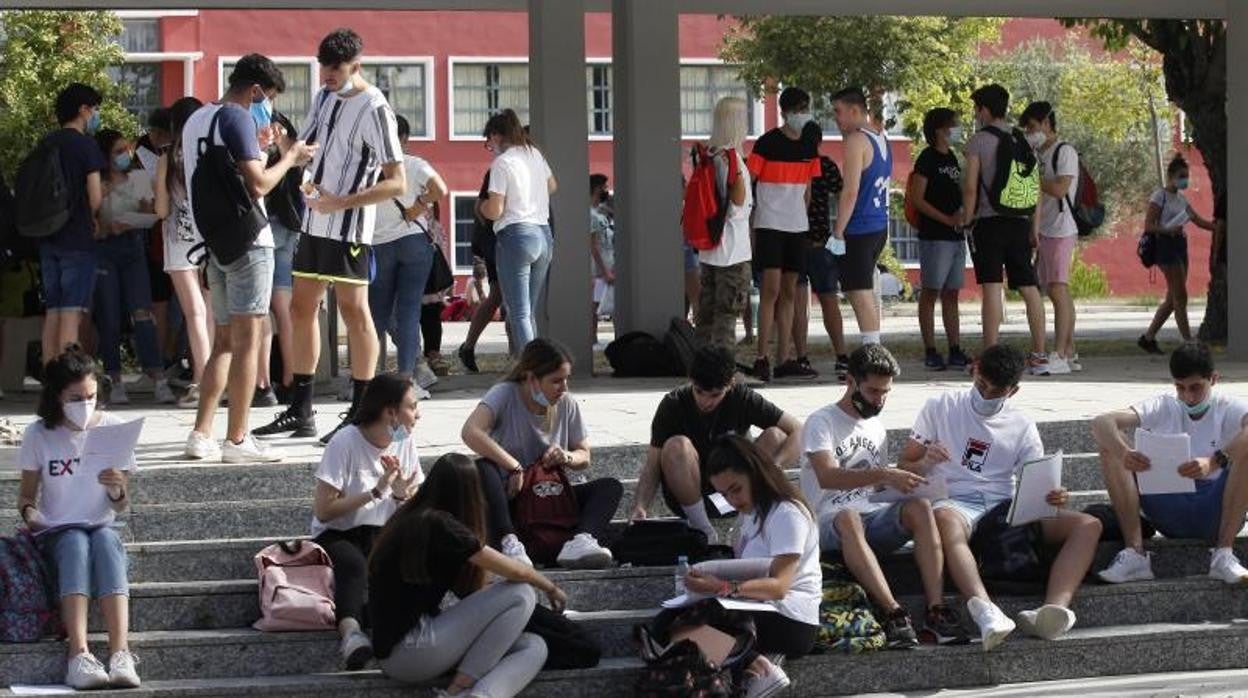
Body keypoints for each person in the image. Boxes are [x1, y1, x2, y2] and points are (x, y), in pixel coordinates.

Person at [255, 28, 406, 445]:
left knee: (354, 311)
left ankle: (362, 409)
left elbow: (397, 182)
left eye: (335, 70)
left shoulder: (376, 107)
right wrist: (281, 148)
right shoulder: (322, 97)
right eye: (323, 68)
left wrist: (343, 202)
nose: (326, 76)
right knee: (302, 308)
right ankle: (301, 409)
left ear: (356, 66)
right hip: (313, 221)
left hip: (349, 226)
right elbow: (307, 146)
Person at [897, 344, 1102, 648]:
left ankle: (1054, 608)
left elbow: (1038, 482)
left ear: (1013, 391)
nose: (986, 394)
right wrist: (927, 459)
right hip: (955, 501)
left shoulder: (1022, 425)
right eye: (982, 385)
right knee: (944, 519)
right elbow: (904, 464)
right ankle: (984, 609)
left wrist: (1054, 496)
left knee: (1089, 524)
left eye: (997, 391)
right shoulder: (941, 405)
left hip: (1004, 506)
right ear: (974, 370)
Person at [180, 54, 317, 463]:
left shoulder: (198, 119)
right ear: (256, 90)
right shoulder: (238, 117)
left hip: (214, 243)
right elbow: (258, 185)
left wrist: (260, 148)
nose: (267, 108)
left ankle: (201, 432)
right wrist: (290, 158)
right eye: (268, 98)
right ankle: (237, 439)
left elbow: (214, 171)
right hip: (249, 241)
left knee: (223, 341)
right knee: (248, 340)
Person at [800, 344, 970, 648]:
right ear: (850, 381)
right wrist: (885, 474)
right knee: (848, 517)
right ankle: (893, 613)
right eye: (873, 391)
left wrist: (916, 475)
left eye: (885, 392)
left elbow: (875, 490)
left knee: (919, 506)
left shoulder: (876, 427)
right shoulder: (821, 422)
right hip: (826, 521)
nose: (879, 399)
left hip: (870, 516)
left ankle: (936, 610)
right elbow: (827, 475)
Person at [368, 452, 562, 697]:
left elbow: (477, 589)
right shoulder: (439, 525)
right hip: (411, 649)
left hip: (407, 653)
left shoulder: (411, 517)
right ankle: (459, 687)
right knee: (521, 592)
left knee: (533, 647)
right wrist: (550, 587)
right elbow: (516, 570)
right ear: (470, 492)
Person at [16, 347, 139, 689]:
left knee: (104, 539)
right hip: (55, 532)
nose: (85, 404)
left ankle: (120, 652)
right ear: (57, 397)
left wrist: (117, 490)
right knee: (74, 541)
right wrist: (32, 515)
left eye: (91, 396)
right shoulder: (39, 433)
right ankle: (78, 653)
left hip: (101, 525)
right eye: (76, 398)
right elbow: (25, 497)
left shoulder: (114, 429)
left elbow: (121, 505)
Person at [669, 435, 823, 696]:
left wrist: (722, 586)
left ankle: (752, 664)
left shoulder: (786, 514)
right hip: (762, 608)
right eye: (724, 494)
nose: (732, 500)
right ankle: (751, 662)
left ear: (756, 474)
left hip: (791, 619)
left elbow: (780, 587)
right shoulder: (751, 516)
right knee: (673, 623)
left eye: (736, 489)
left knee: (674, 624)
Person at [1093, 342, 1248, 585]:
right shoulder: (1164, 405)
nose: (1188, 396)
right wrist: (1125, 453)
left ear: (1214, 379)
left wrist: (1214, 461)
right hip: (1167, 508)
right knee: (1109, 447)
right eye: (1180, 387)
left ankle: (1224, 553)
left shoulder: (1228, 407)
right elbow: (1102, 423)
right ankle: (1135, 554)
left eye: (1196, 387)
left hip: (1216, 511)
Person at [461, 338, 621, 568]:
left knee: (610, 487)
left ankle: (581, 540)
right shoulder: (505, 394)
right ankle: (509, 543)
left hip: (550, 496)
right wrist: (512, 465)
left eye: (566, 379)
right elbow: (470, 432)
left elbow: (584, 455)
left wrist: (566, 456)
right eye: (556, 381)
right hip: (512, 495)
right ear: (531, 379)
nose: (563, 388)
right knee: (482, 468)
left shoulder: (567, 403)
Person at [632, 344, 802, 542]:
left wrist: (774, 466)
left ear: (730, 384)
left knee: (776, 436)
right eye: (699, 392)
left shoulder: (743, 397)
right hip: (689, 494)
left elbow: (800, 430)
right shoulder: (673, 404)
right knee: (676, 445)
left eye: (715, 395)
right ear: (691, 381)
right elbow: (652, 464)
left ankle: (747, 521)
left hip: (735, 489)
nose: (705, 401)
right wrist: (640, 506)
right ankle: (703, 530)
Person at [311, 374, 423, 669]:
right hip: (338, 532)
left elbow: (411, 500)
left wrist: (400, 496)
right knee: (353, 565)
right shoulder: (345, 441)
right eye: (412, 407)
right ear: (390, 412)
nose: (418, 414)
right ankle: (351, 636)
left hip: (381, 531)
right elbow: (324, 510)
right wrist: (375, 491)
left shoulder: (403, 440)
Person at [961, 84, 1050, 374]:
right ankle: (1039, 353)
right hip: (1020, 223)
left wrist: (967, 216)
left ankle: (989, 355)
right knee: (1029, 288)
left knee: (991, 287)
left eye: (977, 109)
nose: (977, 114)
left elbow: (971, 186)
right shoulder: (1022, 140)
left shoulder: (978, 142)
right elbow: (1035, 188)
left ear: (984, 110)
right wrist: (1034, 227)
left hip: (989, 222)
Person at [91, 129, 174, 405]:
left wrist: (132, 220)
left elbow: (152, 213)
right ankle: (114, 378)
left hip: (133, 249)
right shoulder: (98, 183)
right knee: (109, 317)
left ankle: (157, 377)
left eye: (126, 149)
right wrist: (105, 224)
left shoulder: (138, 177)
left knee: (143, 313)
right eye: (117, 151)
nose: (124, 155)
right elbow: (90, 221)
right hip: (104, 252)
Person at [747, 86, 821, 381]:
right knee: (771, 290)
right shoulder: (766, 143)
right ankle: (762, 356)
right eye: (799, 109)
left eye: (806, 108)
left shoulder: (809, 145)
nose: (803, 115)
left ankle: (785, 357)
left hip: (796, 226)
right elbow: (749, 180)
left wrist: (802, 217)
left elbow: (809, 189)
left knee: (791, 291)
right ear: (785, 112)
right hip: (769, 224)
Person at [369, 114, 445, 384]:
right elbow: (440, 189)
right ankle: (406, 377)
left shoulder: (368, 169)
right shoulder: (414, 163)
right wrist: (419, 204)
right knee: (409, 311)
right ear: (404, 139)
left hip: (379, 246)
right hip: (414, 242)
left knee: (376, 314)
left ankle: (365, 379)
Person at [479, 110, 557, 355]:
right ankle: (533, 365)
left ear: (495, 136)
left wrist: (481, 206)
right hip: (543, 235)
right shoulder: (534, 154)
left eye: (488, 144)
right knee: (527, 312)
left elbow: (494, 210)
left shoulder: (502, 163)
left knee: (519, 312)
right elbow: (552, 186)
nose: (490, 148)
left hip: (516, 236)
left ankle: (531, 372)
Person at [40, 83, 106, 365]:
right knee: (71, 311)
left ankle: (50, 383)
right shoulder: (85, 145)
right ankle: (67, 382)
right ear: (83, 110)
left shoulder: (46, 143)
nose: (95, 115)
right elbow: (95, 197)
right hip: (77, 236)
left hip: (46, 235)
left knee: (53, 312)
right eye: (94, 109)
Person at [154, 96, 212, 410]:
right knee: (212, 313)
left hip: (179, 243)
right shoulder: (206, 151)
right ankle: (217, 380)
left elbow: (162, 210)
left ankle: (201, 382)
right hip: (211, 240)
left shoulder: (167, 156)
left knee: (194, 315)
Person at [1020, 101, 1080, 375]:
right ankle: (1069, 351)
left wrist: (1033, 177)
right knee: (1056, 289)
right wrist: (1034, 229)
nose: (1030, 132)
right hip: (1044, 229)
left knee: (1058, 289)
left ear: (1046, 123)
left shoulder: (1064, 151)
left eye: (1032, 127)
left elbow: (1059, 189)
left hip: (1062, 228)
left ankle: (1060, 353)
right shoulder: (1038, 153)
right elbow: (1037, 199)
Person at [830, 87, 893, 348]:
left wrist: (838, 230)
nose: (836, 118)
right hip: (878, 225)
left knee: (859, 292)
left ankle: (873, 349)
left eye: (838, 111)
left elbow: (851, 190)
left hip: (860, 227)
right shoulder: (881, 137)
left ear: (855, 110)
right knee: (862, 290)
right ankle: (872, 344)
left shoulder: (856, 140)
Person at [909, 107, 970, 371]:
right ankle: (931, 349)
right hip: (935, 236)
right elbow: (917, 199)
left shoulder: (952, 157)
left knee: (952, 293)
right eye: (952, 125)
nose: (956, 129)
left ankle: (955, 348)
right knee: (931, 291)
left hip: (956, 235)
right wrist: (945, 219)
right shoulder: (927, 158)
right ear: (939, 129)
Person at [1137, 155, 1216, 355]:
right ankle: (1188, 341)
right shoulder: (1159, 196)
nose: (1185, 180)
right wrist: (1167, 230)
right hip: (1166, 246)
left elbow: (1198, 220)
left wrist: (1218, 227)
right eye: (1181, 176)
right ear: (1171, 176)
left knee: (1173, 299)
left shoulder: (1182, 199)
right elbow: (1149, 225)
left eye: (1187, 176)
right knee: (1181, 295)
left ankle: (1148, 338)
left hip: (1180, 245)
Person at [693, 97, 753, 349]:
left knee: (706, 316)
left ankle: (702, 369)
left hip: (710, 247)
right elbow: (739, 203)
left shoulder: (707, 155)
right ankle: (723, 373)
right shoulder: (732, 159)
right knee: (727, 317)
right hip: (734, 248)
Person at [257, 110, 306, 406]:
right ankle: (290, 378)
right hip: (290, 229)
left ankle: (262, 383)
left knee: (260, 310)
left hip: (265, 229)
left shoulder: (261, 149)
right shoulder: (294, 154)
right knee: (285, 312)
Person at [802, 152, 850, 379]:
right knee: (829, 300)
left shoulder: (792, 161)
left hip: (796, 240)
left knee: (797, 302)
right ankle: (841, 355)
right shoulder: (825, 164)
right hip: (820, 241)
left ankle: (800, 356)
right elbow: (842, 192)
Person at [457, 169, 508, 373]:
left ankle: (468, 346)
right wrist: (492, 229)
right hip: (499, 242)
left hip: (497, 242)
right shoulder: (500, 169)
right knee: (506, 297)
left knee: (497, 296)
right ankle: (517, 357)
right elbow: (480, 208)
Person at [589, 173, 615, 344]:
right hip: (598, 271)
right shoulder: (590, 215)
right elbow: (593, 246)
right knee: (593, 308)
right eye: (604, 187)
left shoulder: (600, 212)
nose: (607, 190)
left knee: (598, 306)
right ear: (596, 189)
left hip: (607, 268)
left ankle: (594, 339)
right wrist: (605, 272)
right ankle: (591, 339)